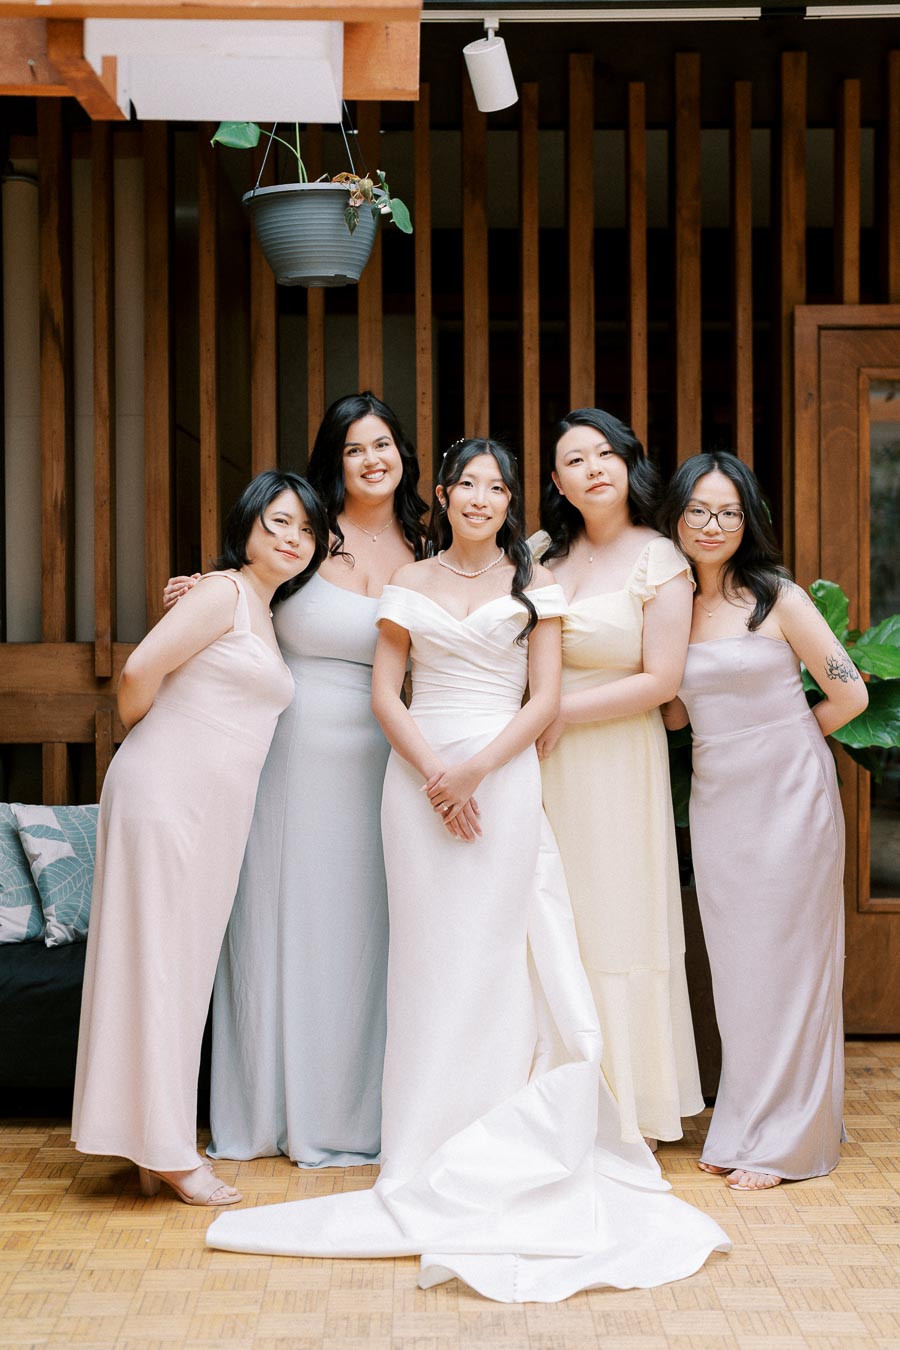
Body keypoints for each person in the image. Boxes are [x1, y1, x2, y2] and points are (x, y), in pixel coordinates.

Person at [204, 438, 731, 1302]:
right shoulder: (408, 584)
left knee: (496, 957)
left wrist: (476, 771)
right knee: (428, 959)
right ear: (443, 495)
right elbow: (386, 694)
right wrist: (433, 776)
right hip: (414, 784)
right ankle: (422, 1138)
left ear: (512, 500)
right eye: (467, 485)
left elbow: (547, 699)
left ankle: (497, 1122)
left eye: (497, 487)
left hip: (504, 774)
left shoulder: (537, 585)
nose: (481, 498)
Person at [164, 393, 427, 1167]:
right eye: (354, 448)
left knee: (364, 933)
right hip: (287, 749)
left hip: (386, 760)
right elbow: (247, 585)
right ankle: (269, 1110)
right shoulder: (309, 536)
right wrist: (203, 586)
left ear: (402, 453)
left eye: (383, 443)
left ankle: (356, 1113)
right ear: (333, 461)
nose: (371, 459)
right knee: (278, 922)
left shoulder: (430, 544)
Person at [72, 471, 329, 1205]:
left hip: (212, 812)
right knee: (157, 967)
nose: (291, 539)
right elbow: (136, 672)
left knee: (177, 971)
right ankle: (172, 1153)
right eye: (278, 522)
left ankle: (153, 1142)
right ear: (247, 526)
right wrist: (154, 752)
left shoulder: (261, 608)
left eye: (306, 530)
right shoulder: (220, 592)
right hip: (165, 795)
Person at [658, 451, 867, 1191]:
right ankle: (744, 1122)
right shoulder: (670, 605)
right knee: (740, 969)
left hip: (789, 798)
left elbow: (852, 700)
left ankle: (789, 1140)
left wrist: (780, 734)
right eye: (699, 510)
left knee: (791, 966)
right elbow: (676, 710)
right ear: (676, 517)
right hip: (719, 800)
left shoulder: (775, 596)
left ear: (747, 521)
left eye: (728, 511)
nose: (713, 524)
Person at [533, 407, 703, 1147]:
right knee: (547, 919)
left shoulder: (660, 560)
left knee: (615, 918)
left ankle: (625, 1104)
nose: (594, 467)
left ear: (629, 464)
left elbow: (663, 679)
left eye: (606, 453)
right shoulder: (536, 552)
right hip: (535, 762)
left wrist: (558, 709)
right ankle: (547, 1099)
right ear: (556, 481)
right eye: (576, 459)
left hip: (614, 761)